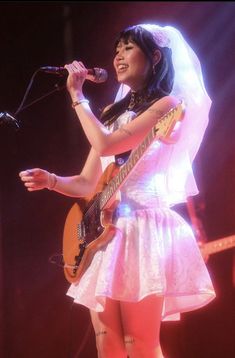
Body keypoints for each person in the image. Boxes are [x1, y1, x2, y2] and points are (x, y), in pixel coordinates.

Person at [19, 24, 216, 358]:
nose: (118, 56)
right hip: (105, 234)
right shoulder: (112, 114)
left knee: (138, 342)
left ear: (154, 57)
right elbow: (86, 181)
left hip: (142, 229)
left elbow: (107, 143)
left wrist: (78, 96)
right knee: (106, 338)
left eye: (128, 48)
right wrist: (51, 180)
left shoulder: (168, 104)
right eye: (117, 49)